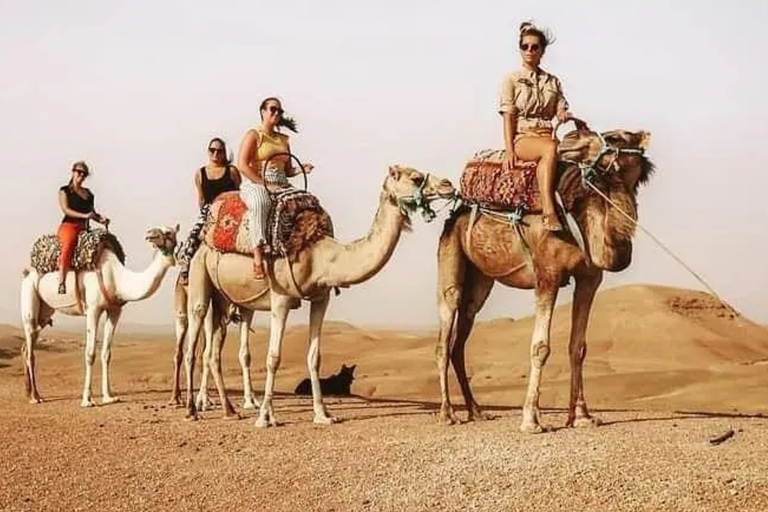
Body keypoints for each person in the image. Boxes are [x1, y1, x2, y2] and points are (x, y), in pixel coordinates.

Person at [498, 21, 588, 231]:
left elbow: (559, 108)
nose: (529, 51)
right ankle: (549, 212)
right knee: (550, 149)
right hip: (524, 138)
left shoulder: (552, 82)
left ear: (542, 51)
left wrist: (564, 115)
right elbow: (508, 117)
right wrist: (510, 150)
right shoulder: (512, 79)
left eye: (534, 47)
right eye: (525, 46)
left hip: (548, 135)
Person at [236, 97, 314, 279]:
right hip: (256, 181)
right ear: (263, 111)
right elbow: (242, 165)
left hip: (281, 183)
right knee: (261, 201)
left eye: (279, 111)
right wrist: (263, 184)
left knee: (307, 202)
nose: (276, 113)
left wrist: (301, 169)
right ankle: (257, 255)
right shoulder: (254, 135)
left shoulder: (284, 140)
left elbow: (287, 170)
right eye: (272, 109)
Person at [177, 137, 242, 285]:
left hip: (230, 209)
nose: (215, 154)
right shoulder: (200, 174)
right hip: (209, 211)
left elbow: (239, 193)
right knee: (193, 238)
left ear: (224, 153)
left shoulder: (231, 171)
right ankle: (185, 270)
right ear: (208, 151)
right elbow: (201, 199)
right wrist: (205, 218)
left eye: (219, 151)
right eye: (212, 150)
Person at [56, 161, 110, 294]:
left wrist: (101, 219)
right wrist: (85, 215)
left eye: (84, 174)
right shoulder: (65, 191)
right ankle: (61, 281)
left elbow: (92, 213)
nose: (81, 176)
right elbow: (66, 210)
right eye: (79, 172)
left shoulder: (88, 194)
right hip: (69, 225)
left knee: (105, 244)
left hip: (84, 228)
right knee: (68, 244)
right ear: (73, 172)